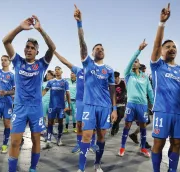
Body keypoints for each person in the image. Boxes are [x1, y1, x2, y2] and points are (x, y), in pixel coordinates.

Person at [2, 15, 56, 172]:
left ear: (37, 51)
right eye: (27, 47)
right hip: (19, 107)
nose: (29, 49)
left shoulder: (41, 64)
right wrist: (20, 27)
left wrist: (40, 30)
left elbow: (52, 48)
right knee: (14, 142)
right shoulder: (17, 61)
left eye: (32, 48)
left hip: (36, 108)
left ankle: (33, 168)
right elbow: (6, 41)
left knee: (36, 140)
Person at [74, 5, 117, 172]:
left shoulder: (110, 70)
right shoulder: (87, 64)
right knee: (86, 136)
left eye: (102, 48)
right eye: (97, 49)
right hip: (89, 106)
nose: (100, 50)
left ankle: (97, 164)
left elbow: (112, 91)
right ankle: (81, 168)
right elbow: (82, 44)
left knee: (101, 137)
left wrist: (114, 109)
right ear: (91, 53)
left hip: (105, 107)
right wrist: (79, 24)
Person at [151, 3, 180, 172]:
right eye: (167, 46)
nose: (171, 48)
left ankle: (172, 170)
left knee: (177, 143)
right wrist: (162, 23)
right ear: (162, 52)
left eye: (174, 47)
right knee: (159, 143)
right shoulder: (157, 66)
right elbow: (155, 46)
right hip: (162, 111)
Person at [54, 51, 98, 154]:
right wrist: (55, 52)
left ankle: (92, 143)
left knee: (93, 123)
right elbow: (65, 62)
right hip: (80, 101)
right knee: (78, 123)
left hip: (91, 101)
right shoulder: (78, 71)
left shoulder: (96, 72)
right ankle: (79, 143)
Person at [118, 40, 154, 158]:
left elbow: (149, 91)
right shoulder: (128, 75)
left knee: (143, 126)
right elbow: (129, 63)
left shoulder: (145, 77)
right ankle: (122, 147)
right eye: (133, 61)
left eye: (136, 61)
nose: (134, 62)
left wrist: (153, 104)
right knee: (127, 125)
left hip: (142, 105)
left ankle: (143, 148)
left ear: (139, 64)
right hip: (131, 104)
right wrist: (139, 50)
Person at [43, 66, 70, 148]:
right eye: (56, 70)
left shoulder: (65, 82)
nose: (57, 71)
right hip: (52, 106)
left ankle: (59, 139)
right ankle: (48, 140)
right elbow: (45, 91)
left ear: (62, 72)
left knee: (60, 122)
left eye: (58, 70)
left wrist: (69, 105)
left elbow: (67, 94)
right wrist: (37, 98)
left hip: (61, 106)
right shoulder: (51, 82)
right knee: (50, 122)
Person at [129, 64, 152, 149]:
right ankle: (143, 142)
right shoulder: (134, 78)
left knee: (146, 122)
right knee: (144, 123)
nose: (144, 72)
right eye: (143, 70)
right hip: (136, 105)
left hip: (143, 104)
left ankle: (134, 135)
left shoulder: (145, 78)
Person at [111, 71, 127, 136]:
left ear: (118, 77)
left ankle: (116, 125)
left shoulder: (123, 83)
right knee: (116, 117)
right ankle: (114, 128)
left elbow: (125, 91)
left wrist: (123, 98)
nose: (114, 80)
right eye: (113, 78)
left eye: (115, 78)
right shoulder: (111, 84)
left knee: (121, 116)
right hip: (114, 103)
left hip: (122, 102)